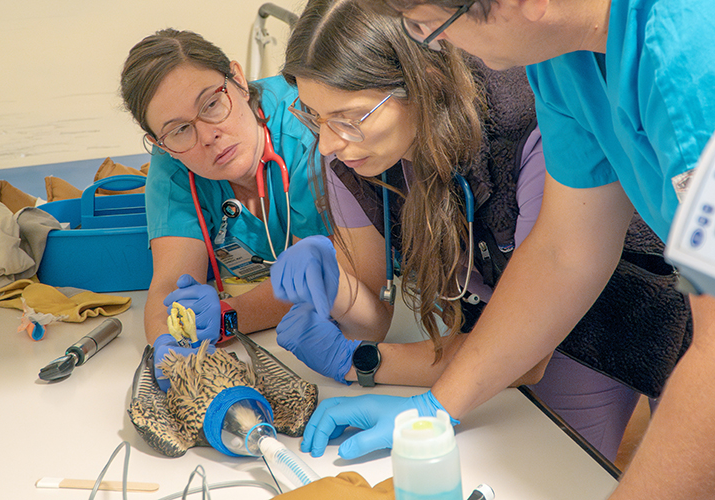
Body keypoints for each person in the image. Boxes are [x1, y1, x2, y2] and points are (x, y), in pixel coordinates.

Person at [300, 0, 715, 497]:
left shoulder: (686, 56)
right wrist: (437, 408)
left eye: (429, 25)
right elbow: (565, 252)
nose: (433, 48)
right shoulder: (565, 62)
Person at [120, 29, 329, 390]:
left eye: (212, 104)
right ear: (160, 144)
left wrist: (227, 317)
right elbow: (168, 285)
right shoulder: (174, 164)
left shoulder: (306, 129)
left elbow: (319, 279)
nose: (206, 136)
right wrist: (169, 348)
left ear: (238, 80)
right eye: (180, 130)